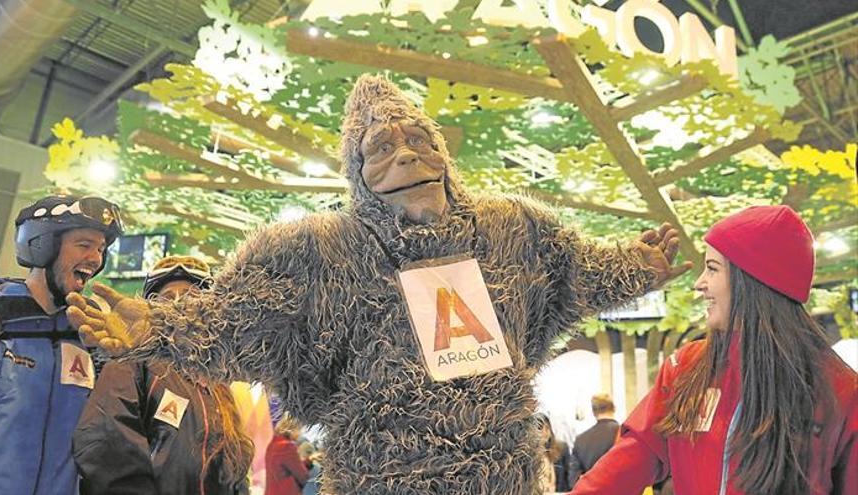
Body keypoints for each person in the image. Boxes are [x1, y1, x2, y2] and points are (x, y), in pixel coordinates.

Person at [68, 75, 692, 494]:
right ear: (359, 175)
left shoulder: (511, 229)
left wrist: (640, 268)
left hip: (500, 470)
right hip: (379, 472)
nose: (407, 157)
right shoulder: (320, 249)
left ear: (444, 155)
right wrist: (156, 328)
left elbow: (576, 270)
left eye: (420, 141)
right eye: (382, 148)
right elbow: (239, 317)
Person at [569, 205, 858, 495]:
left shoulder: (840, 391)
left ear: (753, 280)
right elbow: (628, 462)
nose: (699, 284)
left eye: (712, 268)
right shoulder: (685, 368)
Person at [0, 195, 123, 495]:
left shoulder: (92, 335)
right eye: (84, 245)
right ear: (41, 244)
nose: (96, 259)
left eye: (101, 249)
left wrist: (124, 358)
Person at [73, 255, 254, 495]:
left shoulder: (218, 385)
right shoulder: (134, 364)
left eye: (191, 296)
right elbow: (107, 447)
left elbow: (235, 469)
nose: (179, 304)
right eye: (167, 298)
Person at [567, 394, 618, 488]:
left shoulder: (581, 440)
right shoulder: (624, 435)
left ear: (594, 412)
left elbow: (574, 481)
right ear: (614, 408)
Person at [265, 415, 309, 495]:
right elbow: (303, 476)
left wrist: (308, 461)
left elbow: (282, 466)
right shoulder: (287, 446)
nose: (300, 434)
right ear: (291, 429)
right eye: (299, 430)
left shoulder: (271, 444)